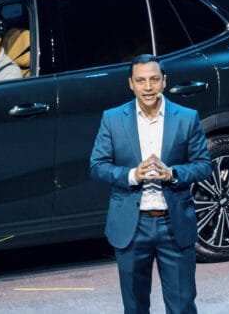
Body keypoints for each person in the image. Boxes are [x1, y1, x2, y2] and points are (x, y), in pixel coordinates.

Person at [89, 54, 212, 314]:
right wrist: (133, 175)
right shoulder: (112, 119)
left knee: (182, 306)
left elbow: (203, 165)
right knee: (135, 308)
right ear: (130, 84)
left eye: (154, 80)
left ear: (164, 81)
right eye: (141, 80)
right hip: (132, 227)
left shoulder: (186, 118)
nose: (148, 87)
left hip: (173, 224)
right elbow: (97, 166)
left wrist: (173, 173)